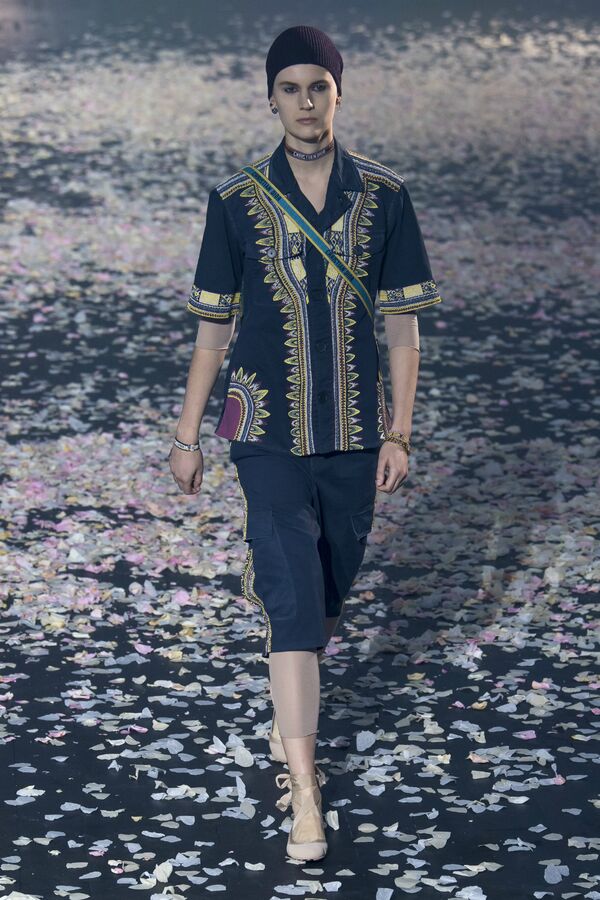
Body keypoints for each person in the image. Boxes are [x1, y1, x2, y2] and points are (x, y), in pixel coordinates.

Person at [168, 24, 443, 861]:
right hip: (265, 428)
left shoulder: (385, 197)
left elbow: (403, 329)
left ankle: (295, 670)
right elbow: (213, 330)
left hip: (356, 430)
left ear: (338, 93)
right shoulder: (235, 200)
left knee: (327, 587)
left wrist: (400, 432)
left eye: (317, 86)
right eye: (289, 88)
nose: (305, 102)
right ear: (270, 98)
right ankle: (306, 788)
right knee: (291, 594)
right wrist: (187, 434)